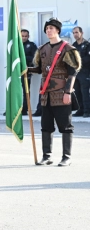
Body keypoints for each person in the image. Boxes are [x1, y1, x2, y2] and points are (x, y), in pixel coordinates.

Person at [28, 18, 81, 167]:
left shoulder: (67, 49)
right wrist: (26, 70)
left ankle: (66, 157)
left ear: (57, 30)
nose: (48, 31)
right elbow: (38, 69)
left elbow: (73, 72)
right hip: (46, 95)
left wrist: (67, 92)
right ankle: (46, 156)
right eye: (47, 28)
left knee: (66, 126)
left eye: (51, 28)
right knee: (46, 126)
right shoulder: (42, 49)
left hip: (61, 93)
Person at [71, 26, 90, 118]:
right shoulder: (73, 45)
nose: (75, 34)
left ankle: (87, 111)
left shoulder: (87, 44)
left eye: (77, 32)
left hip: (85, 71)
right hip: (76, 72)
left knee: (85, 92)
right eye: (74, 33)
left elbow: (88, 58)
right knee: (77, 91)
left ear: (81, 33)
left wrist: (79, 61)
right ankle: (80, 110)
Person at [20, 29, 39, 116]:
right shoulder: (15, 45)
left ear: (28, 36)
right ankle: (14, 109)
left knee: (26, 91)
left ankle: (25, 109)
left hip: (26, 70)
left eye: (25, 36)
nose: (24, 38)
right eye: (22, 36)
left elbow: (35, 58)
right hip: (16, 71)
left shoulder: (31, 45)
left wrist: (23, 57)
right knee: (14, 91)